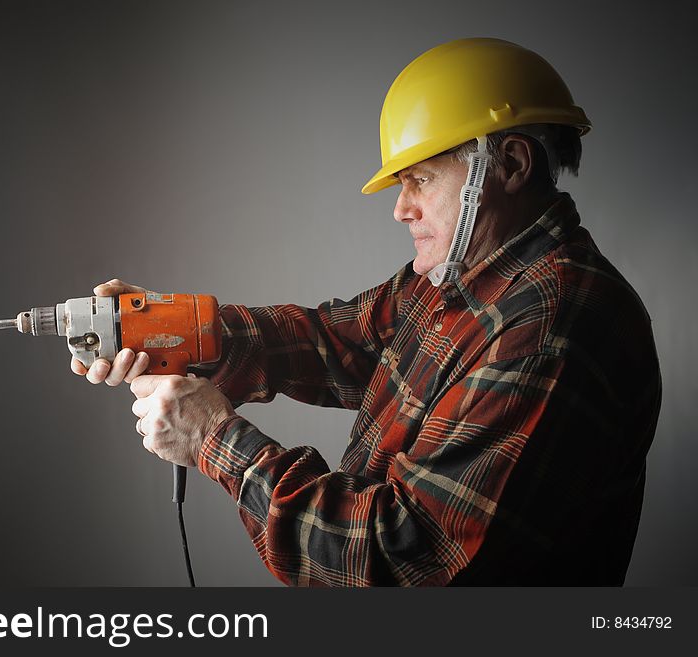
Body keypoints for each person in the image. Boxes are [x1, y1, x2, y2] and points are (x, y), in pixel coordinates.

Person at [72, 38, 662, 585]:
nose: (401, 209)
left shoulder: (551, 326)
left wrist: (212, 436)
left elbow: (399, 557)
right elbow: (343, 340)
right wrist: (187, 333)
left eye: (421, 180)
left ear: (508, 164)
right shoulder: (463, 278)